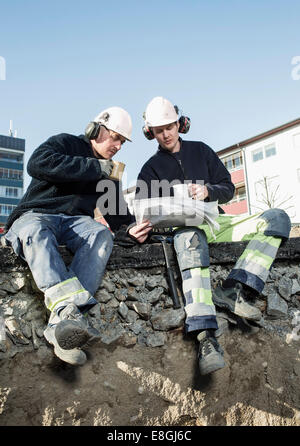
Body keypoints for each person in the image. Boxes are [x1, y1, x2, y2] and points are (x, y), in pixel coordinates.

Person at [129, 96, 291, 376]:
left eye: (170, 126)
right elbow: (142, 213)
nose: (166, 134)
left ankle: (233, 289)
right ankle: (206, 337)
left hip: (217, 222)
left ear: (180, 124)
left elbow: (228, 188)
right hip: (183, 231)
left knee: (277, 218)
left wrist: (208, 192)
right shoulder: (149, 170)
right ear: (150, 133)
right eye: (159, 130)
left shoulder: (202, 151)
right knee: (190, 237)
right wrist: (146, 225)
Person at [4, 106, 140, 366]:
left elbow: (116, 214)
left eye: (122, 141)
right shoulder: (66, 142)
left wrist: (132, 229)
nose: (119, 146)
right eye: (115, 137)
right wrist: (95, 167)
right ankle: (70, 315)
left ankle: (63, 322)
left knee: (100, 234)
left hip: (76, 223)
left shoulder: (108, 171)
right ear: (95, 130)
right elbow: (37, 163)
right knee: (35, 231)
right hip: (37, 214)